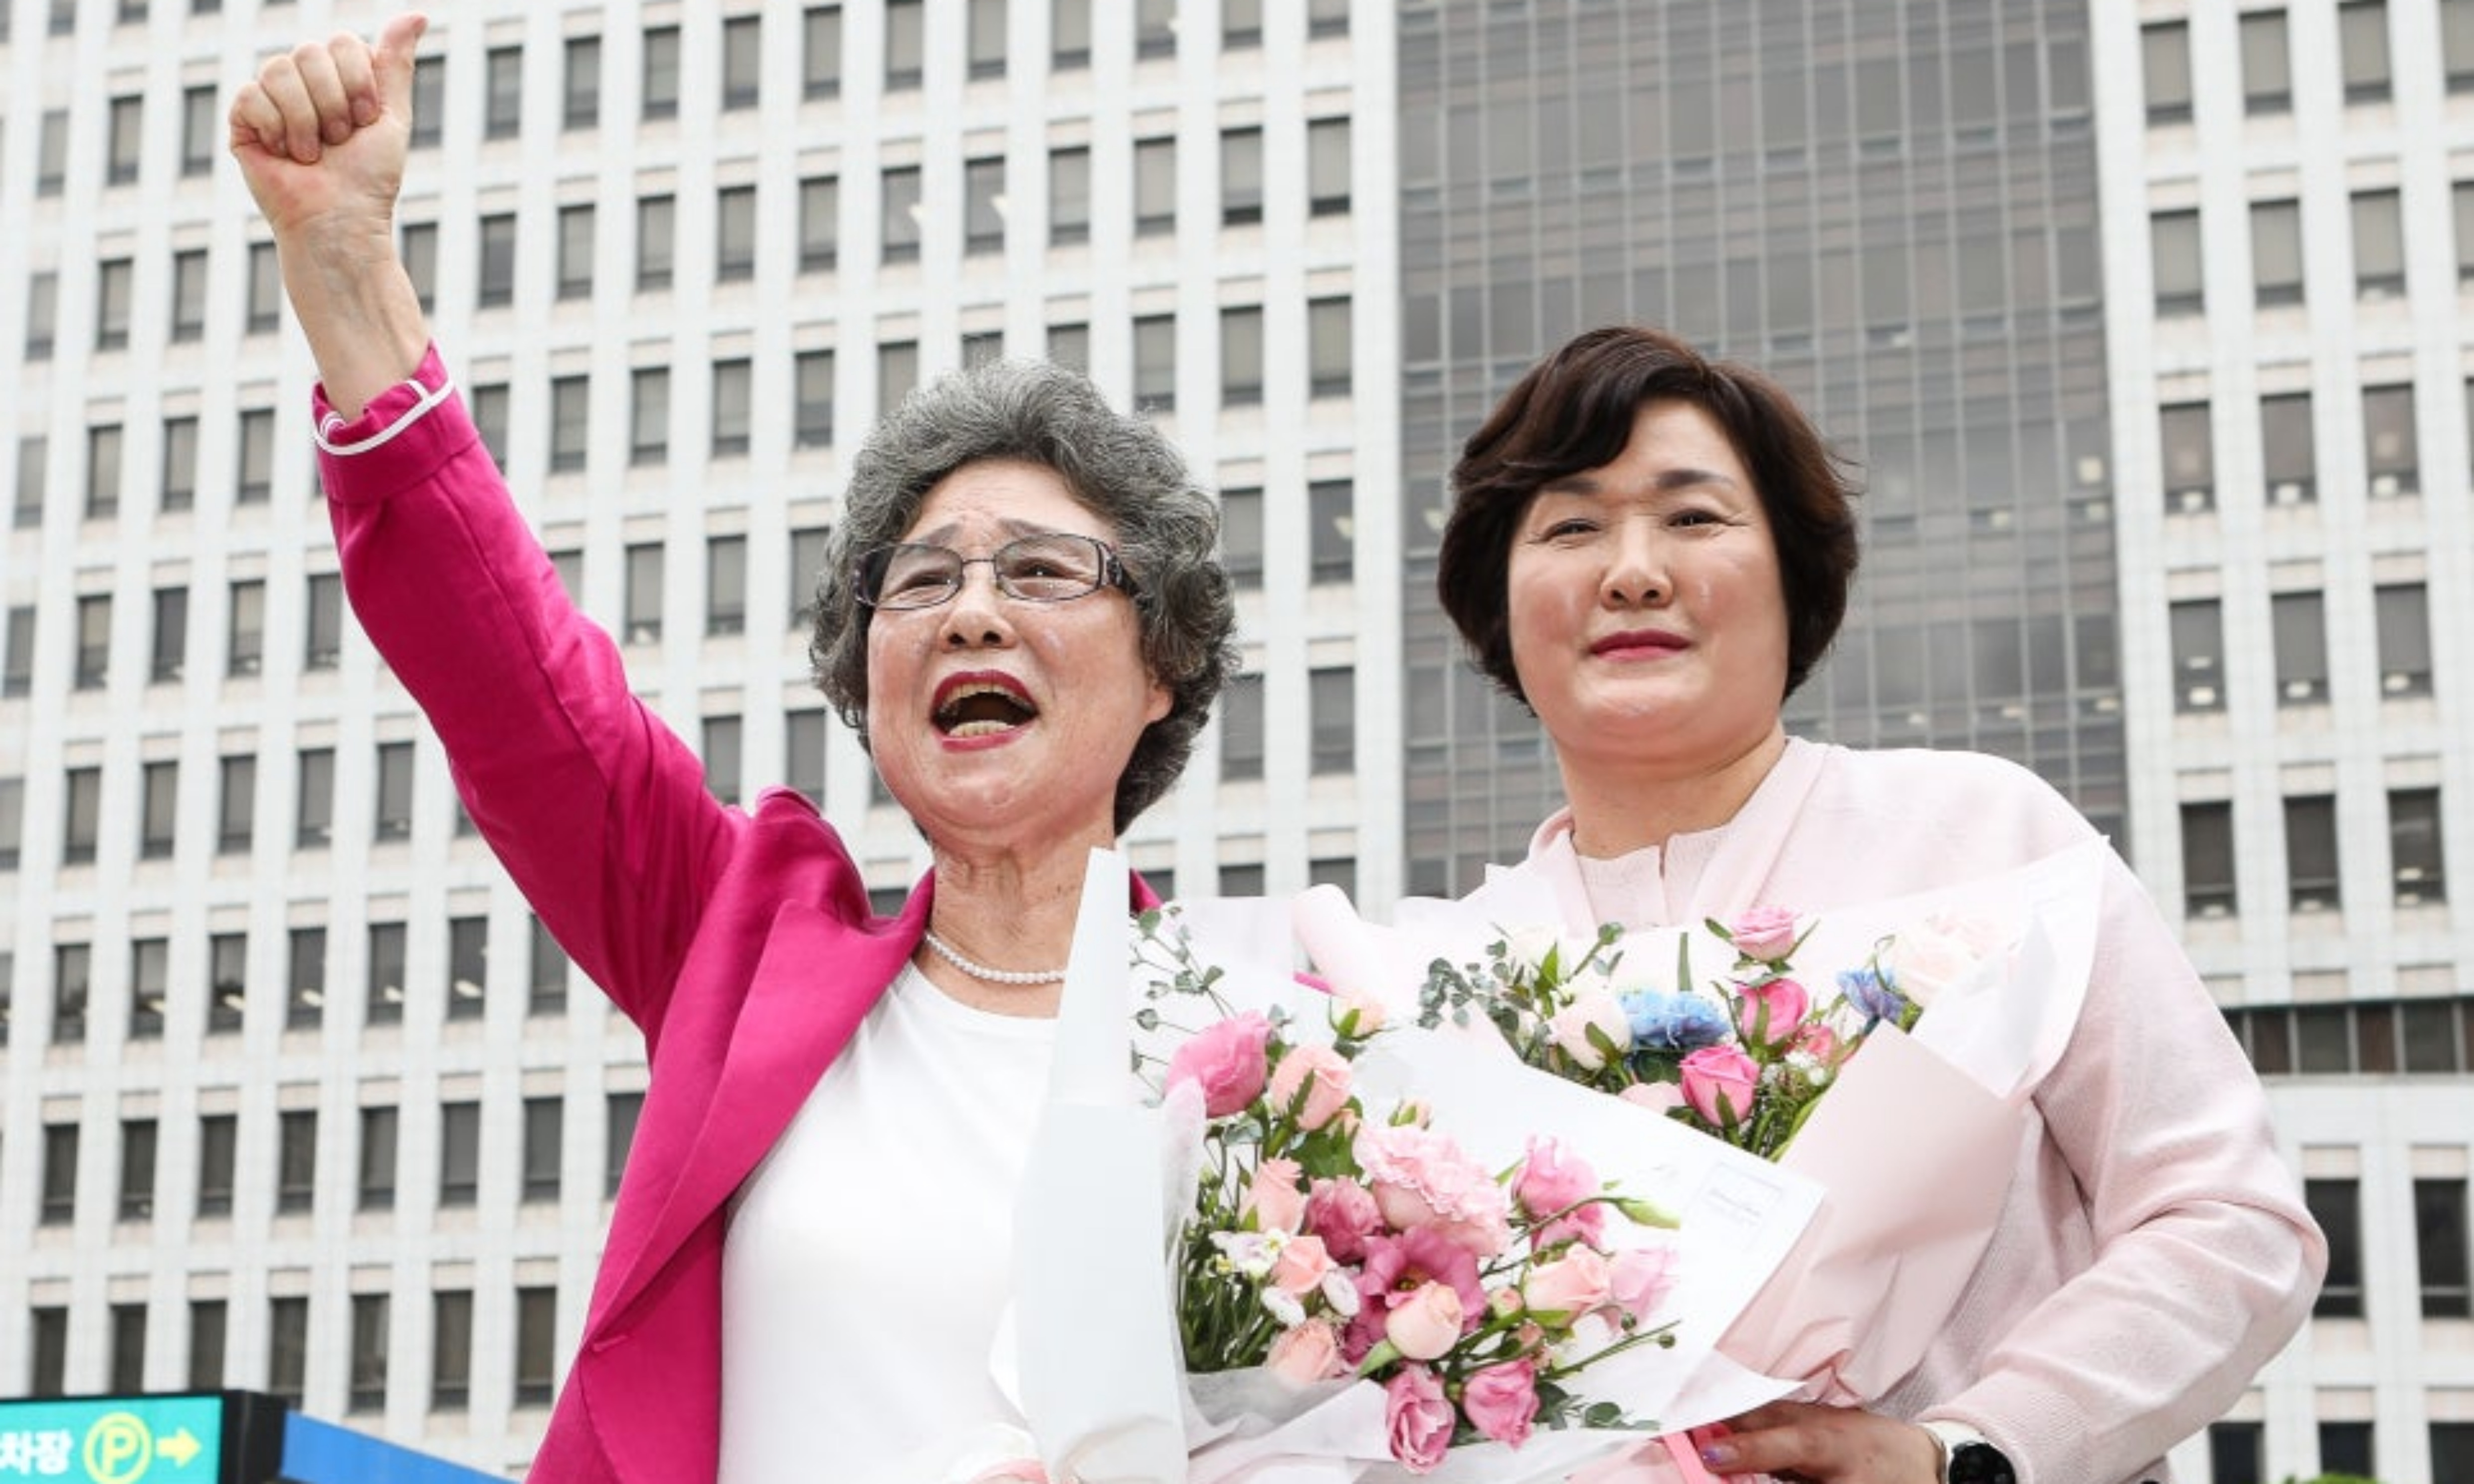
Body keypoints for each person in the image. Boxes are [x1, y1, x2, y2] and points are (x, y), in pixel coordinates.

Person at [228, 18, 1237, 1481]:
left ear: (1163, 667)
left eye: (1039, 571)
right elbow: (511, 683)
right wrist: (345, 267)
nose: (972, 612)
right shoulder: (740, 943)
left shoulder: (1270, 1046)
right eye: (920, 580)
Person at [1435, 325, 2324, 1484]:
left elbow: (2228, 1219)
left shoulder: (1988, 836)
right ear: (1498, 602)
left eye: (1693, 517)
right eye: (1571, 527)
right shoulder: (1447, 982)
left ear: (1795, 579)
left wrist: (1974, 1449)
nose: (1634, 571)